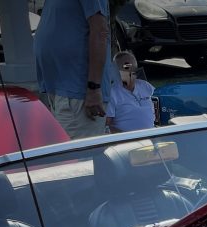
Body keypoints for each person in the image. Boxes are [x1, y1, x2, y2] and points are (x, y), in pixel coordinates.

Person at [34, 0, 111, 139]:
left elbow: (100, 31)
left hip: (79, 95)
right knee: (64, 158)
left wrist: (94, 87)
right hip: (60, 91)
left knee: (77, 159)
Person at [105, 51, 155, 133]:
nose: (130, 70)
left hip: (151, 135)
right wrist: (126, 138)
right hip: (127, 141)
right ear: (116, 70)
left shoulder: (145, 86)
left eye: (133, 66)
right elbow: (107, 126)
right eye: (126, 67)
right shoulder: (112, 93)